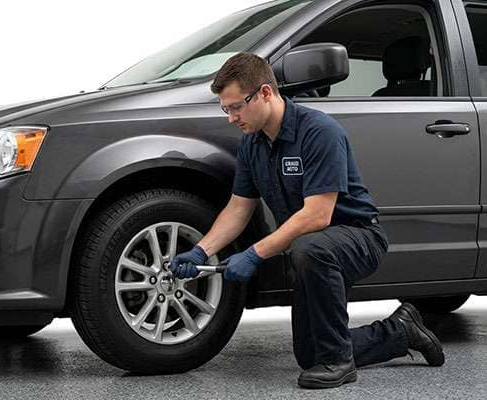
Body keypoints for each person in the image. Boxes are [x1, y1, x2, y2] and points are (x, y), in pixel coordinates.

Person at [169, 52, 444, 389]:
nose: (231, 117)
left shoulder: (318, 132)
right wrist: (200, 251)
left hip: (356, 237)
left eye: (236, 106)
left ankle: (340, 364)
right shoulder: (253, 145)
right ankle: (401, 330)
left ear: (266, 93)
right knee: (310, 353)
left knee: (310, 249)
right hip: (311, 248)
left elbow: (318, 214)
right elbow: (238, 209)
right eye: (226, 109)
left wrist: (255, 254)